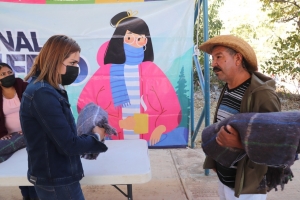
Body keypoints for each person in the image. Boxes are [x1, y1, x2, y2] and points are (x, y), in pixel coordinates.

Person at [19, 35, 108, 200]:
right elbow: (68, 144)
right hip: (57, 181)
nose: (76, 68)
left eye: (77, 63)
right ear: (55, 60)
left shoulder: (47, 89)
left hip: (55, 177)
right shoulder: (42, 94)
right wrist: (96, 136)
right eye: (73, 63)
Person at [77, 11, 182, 146]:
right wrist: (118, 123)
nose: (134, 43)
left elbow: (173, 109)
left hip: (145, 141)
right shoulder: (106, 71)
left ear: (146, 41)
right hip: (112, 140)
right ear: (120, 40)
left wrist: (161, 127)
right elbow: (84, 107)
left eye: (139, 39)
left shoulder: (152, 70)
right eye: (129, 38)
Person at [199, 35, 281, 199]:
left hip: (246, 187)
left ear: (237, 59)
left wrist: (239, 143)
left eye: (219, 57)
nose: (213, 63)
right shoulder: (229, 87)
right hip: (225, 181)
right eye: (213, 58)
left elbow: (276, 144)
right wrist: (215, 159)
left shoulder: (262, 95)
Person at [0, 62, 39, 200]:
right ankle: (26, 196)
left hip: (30, 135)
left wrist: (29, 128)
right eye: (3, 74)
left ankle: (34, 196)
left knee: (32, 167)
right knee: (18, 170)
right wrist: (3, 135)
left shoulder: (25, 87)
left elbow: (36, 110)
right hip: (10, 138)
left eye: (9, 72)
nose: (7, 76)